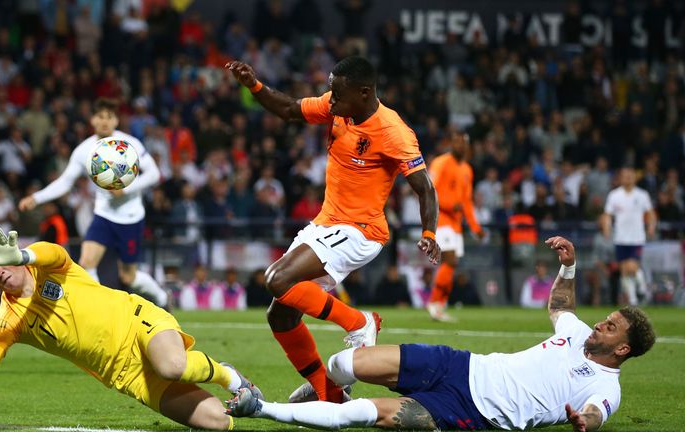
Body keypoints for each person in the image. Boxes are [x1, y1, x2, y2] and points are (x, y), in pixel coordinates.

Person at [227, 236, 656, 432]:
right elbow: (561, 305)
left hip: (471, 412)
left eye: (612, 326)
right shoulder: (578, 331)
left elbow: (598, 413)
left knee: (364, 415)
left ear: (622, 348)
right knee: (341, 364)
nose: (601, 323)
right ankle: (327, 389)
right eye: (607, 318)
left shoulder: (605, 387)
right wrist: (569, 266)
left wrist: (586, 420)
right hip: (461, 364)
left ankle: (262, 409)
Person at [226, 56, 441, 403]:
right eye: (331, 91)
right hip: (326, 225)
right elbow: (290, 110)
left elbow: (425, 187)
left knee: (276, 279)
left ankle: (359, 322)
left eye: (338, 94)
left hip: (360, 230)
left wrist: (429, 234)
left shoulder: (393, 131)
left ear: (365, 92)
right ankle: (330, 394)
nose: (331, 99)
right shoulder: (338, 106)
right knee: (280, 313)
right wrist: (254, 85)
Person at [0, 229, 262, 430]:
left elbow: (54, 252)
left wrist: (24, 255)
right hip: (125, 375)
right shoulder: (10, 318)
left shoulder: (47, 265)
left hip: (137, 321)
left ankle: (229, 377)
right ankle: (261, 406)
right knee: (219, 422)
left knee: (172, 366)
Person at [18, 98, 167, 307]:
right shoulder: (83, 150)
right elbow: (65, 182)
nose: (104, 121)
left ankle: (161, 297)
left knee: (128, 277)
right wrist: (37, 197)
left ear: (116, 120)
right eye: (100, 117)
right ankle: (99, 310)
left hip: (131, 217)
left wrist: (125, 189)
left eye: (109, 117)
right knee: (87, 263)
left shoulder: (129, 144)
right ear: (92, 120)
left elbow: (153, 173)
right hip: (104, 215)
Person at [426, 131, 485, 322]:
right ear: (451, 144)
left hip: (456, 224)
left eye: (464, 143)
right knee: (449, 260)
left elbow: (466, 202)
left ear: (468, 147)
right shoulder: (441, 163)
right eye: (457, 142)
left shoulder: (467, 169)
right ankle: (434, 302)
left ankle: (440, 305)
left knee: (452, 264)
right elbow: (430, 191)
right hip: (440, 218)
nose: (460, 146)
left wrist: (475, 227)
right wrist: (451, 205)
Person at [600, 167, 656, 306]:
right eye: (625, 176)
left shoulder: (642, 195)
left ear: (635, 177)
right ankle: (633, 299)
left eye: (630, 175)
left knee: (632, 266)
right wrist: (606, 228)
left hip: (636, 237)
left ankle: (642, 287)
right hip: (620, 237)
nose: (628, 178)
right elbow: (607, 214)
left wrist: (651, 226)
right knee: (624, 269)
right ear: (621, 178)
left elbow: (650, 213)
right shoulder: (614, 195)